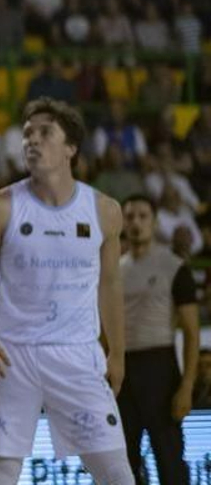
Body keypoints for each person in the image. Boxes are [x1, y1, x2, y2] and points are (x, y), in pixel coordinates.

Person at [0, 98, 131, 485]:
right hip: (11, 353)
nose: (31, 141)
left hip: (77, 354)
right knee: (2, 474)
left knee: (116, 471)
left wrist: (117, 351)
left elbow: (110, 284)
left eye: (44, 133)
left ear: (71, 147)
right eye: (27, 134)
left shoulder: (104, 211)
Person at [118, 194, 198, 485]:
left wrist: (187, 386)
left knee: (169, 458)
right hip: (123, 368)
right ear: (123, 223)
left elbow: (191, 330)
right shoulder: (114, 271)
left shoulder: (173, 266)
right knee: (122, 461)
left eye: (143, 216)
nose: (136, 222)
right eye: (130, 216)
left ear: (154, 221)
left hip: (160, 368)